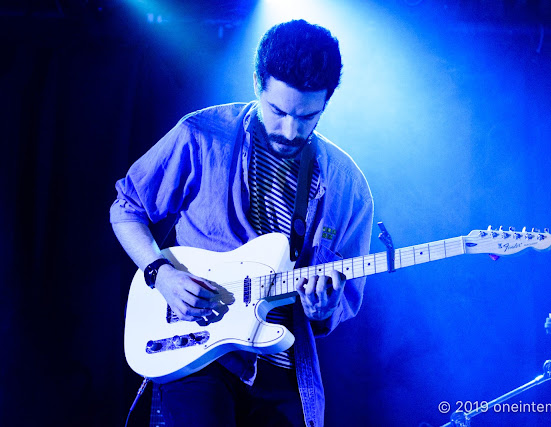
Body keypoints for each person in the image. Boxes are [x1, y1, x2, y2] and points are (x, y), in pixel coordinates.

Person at [110, 19, 374, 427]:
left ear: (328, 101)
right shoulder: (201, 136)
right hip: (194, 350)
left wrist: (323, 307)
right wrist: (160, 273)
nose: (290, 129)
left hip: (281, 364)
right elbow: (126, 208)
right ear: (256, 82)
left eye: (307, 117)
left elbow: (335, 307)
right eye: (278, 111)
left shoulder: (349, 187)